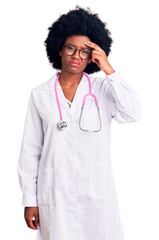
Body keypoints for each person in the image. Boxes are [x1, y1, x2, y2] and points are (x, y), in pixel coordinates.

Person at [17, 5, 141, 240]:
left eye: (85, 51)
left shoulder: (103, 89)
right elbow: (30, 151)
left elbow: (132, 113)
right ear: (59, 50)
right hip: (55, 194)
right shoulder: (40, 94)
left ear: (93, 55)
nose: (76, 56)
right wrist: (29, 201)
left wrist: (108, 69)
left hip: (97, 193)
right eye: (71, 48)